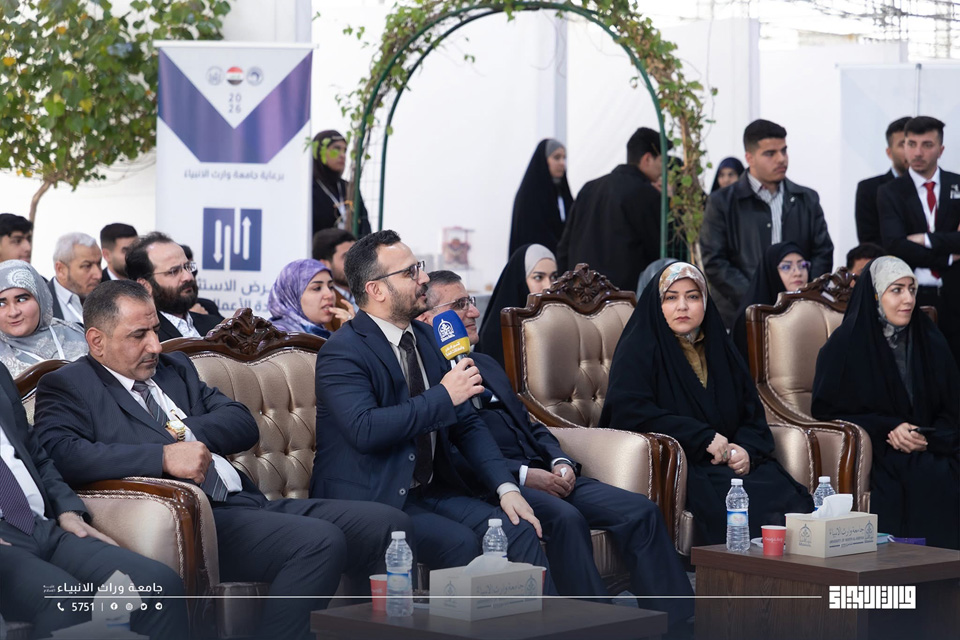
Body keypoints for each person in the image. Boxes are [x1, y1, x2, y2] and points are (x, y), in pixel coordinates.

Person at [33, 280, 412, 640]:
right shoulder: (69, 385)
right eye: (139, 335)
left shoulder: (174, 369)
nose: (155, 346)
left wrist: (181, 434)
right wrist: (161, 457)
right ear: (97, 341)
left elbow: (241, 423)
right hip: (198, 521)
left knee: (387, 524)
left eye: (155, 331)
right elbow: (64, 453)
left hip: (249, 503)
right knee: (319, 542)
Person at [418, 271, 694, 625]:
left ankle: (677, 624)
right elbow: (449, 454)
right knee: (566, 519)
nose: (473, 312)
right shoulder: (429, 379)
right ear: (428, 320)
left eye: (470, 301)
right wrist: (522, 476)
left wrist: (559, 460)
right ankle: (597, 625)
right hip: (497, 485)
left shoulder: (485, 363)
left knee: (641, 510)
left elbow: (532, 424)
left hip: (547, 470)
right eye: (459, 305)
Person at [311, 230, 557, 591]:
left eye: (420, 267)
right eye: (410, 272)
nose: (424, 277)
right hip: (372, 500)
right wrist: (444, 395)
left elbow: (468, 424)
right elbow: (365, 429)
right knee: (459, 543)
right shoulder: (342, 350)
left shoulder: (427, 338)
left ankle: (546, 621)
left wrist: (507, 488)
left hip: (429, 489)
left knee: (518, 528)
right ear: (376, 290)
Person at [598, 262, 814, 544]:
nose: (682, 306)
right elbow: (629, 413)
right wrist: (701, 437)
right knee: (746, 504)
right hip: (685, 465)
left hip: (733, 463)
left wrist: (746, 449)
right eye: (671, 297)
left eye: (692, 296)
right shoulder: (639, 347)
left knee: (787, 495)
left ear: (705, 302)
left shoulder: (720, 347)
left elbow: (751, 413)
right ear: (657, 304)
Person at [0, 360, 188, 640]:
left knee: (157, 585)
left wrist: (67, 510)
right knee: (66, 601)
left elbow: (35, 454)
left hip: (40, 524)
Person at [811, 257, 959, 549]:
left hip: (932, 441)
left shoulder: (929, 338)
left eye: (912, 289)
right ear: (876, 295)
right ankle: (916, 565)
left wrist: (926, 436)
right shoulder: (846, 344)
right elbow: (826, 409)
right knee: (921, 477)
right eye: (897, 290)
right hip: (880, 445)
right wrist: (890, 427)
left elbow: (951, 405)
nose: (908, 300)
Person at [700, 119, 834, 328]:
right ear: (749, 158)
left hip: (799, 316)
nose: (781, 159)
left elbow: (823, 252)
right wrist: (757, 297)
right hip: (740, 316)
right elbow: (715, 261)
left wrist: (802, 297)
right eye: (770, 153)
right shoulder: (722, 202)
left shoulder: (806, 199)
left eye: (784, 151)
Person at [877, 115, 960, 367]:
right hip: (912, 295)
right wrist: (949, 255)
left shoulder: (957, 185)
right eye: (911, 144)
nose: (917, 152)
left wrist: (925, 239)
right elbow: (896, 245)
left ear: (941, 149)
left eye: (927, 145)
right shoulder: (890, 192)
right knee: (916, 368)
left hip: (955, 293)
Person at [557, 127, 670, 290]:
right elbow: (659, 249)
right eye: (662, 161)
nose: (663, 169)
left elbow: (564, 247)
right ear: (647, 159)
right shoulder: (646, 194)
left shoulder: (589, 188)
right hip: (622, 296)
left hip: (581, 292)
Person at [125, 232, 223, 341]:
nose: (188, 277)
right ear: (145, 285)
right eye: (173, 271)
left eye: (187, 267)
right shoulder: (144, 338)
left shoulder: (216, 326)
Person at [0, 261, 88, 377]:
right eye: (1, 304)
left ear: (40, 298)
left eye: (21, 300)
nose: (13, 312)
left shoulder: (75, 332)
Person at [476, 244, 557, 368]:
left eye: (554, 277)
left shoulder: (562, 319)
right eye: (538, 277)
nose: (548, 286)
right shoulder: (496, 333)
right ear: (520, 280)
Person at [731, 242, 810, 360]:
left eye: (802, 265)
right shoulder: (750, 316)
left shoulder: (814, 309)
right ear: (771, 271)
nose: (798, 273)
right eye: (786, 267)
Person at [508, 139, 574, 256]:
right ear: (544, 160)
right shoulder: (530, 195)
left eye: (564, 158)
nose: (562, 163)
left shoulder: (561, 192)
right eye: (556, 157)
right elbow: (535, 235)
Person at [855, 117, 910, 245]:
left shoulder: (943, 185)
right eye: (903, 144)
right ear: (889, 153)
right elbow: (869, 243)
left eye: (912, 144)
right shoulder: (869, 189)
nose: (912, 152)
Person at [268, 259, 354, 337]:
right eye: (317, 288)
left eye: (331, 287)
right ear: (293, 296)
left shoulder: (326, 335)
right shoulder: (276, 336)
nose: (329, 295)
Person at [312, 130, 369, 238]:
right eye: (336, 149)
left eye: (345, 150)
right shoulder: (309, 189)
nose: (342, 155)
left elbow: (365, 231)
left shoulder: (349, 188)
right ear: (319, 152)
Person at [48, 232, 102, 325]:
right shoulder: (41, 305)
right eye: (87, 266)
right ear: (61, 270)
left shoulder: (108, 297)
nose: (98, 275)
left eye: (99, 264)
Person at [313, 228, 357, 309]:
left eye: (356, 256)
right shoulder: (323, 305)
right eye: (346, 257)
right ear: (324, 264)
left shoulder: (368, 297)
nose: (355, 262)